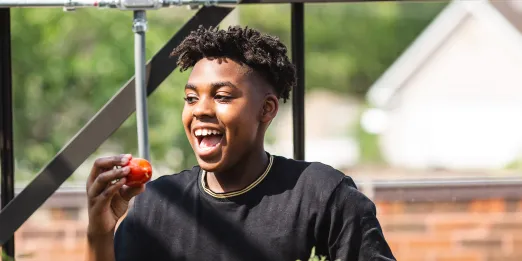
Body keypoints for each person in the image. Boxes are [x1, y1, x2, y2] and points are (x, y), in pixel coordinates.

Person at [85, 25, 396, 261]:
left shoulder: (324, 196)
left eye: (221, 96)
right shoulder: (158, 203)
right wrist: (99, 233)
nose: (200, 110)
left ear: (267, 108)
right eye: (191, 98)